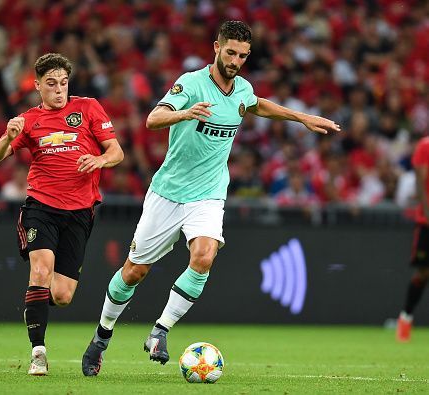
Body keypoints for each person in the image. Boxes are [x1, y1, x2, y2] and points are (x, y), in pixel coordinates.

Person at [81, 21, 340, 376]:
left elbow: (256, 104)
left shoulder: (242, 89)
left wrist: (301, 117)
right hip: (168, 193)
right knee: (134, 271)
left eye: (243, 55)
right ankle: (101, 338)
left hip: (209, 194)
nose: (235, 60)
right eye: (230, 52)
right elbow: (153, 119)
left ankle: (160, 331)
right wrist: (184, 113)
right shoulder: (190, 83)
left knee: (204, 257)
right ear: (216, 48)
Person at [0, 53, 124, 375]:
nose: (59, 90)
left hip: (79, 211)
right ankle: (38, 353)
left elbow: (116, 151)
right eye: (51, 84)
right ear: (37, 86)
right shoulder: (28, 120)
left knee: (61, 295)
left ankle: (32, 305)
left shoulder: (88, 108)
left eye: (63, 83)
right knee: (40, 270)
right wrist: (7, 136)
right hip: (41, 207)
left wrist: (101, 161)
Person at [396, 135, 429, 342]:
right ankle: (406, 317)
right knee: (424, 271)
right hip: (426, 222)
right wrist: (427, 212)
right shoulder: (425, 146)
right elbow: (420, 181)